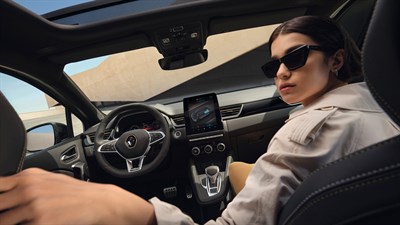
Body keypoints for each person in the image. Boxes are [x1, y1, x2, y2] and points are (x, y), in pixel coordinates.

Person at [0, 15, 399, 225]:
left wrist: (132, 211)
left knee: (234, 173)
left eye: (294, 58)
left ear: (337, 59)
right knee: (240, 169)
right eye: (272, 64)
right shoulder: (383, 102)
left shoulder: (304, 131)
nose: (280, 73)